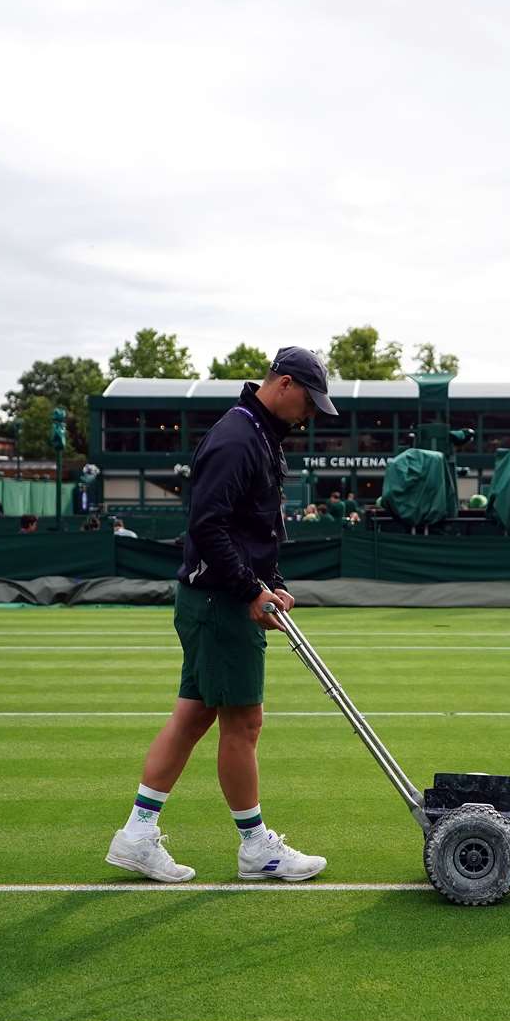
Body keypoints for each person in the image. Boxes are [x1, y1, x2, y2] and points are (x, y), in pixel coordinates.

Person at [106, 347, 337, 884]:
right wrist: (250, 591)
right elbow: (207, 528)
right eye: (307, 402)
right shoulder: (237, 439)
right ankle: (256, 848)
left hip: (217, 598)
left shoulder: (258, 435)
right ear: (282, 385)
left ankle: (137, 835)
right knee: (243, 723)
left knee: (193, 716)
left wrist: (271, 583)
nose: (308, 417)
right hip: (219, 601)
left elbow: (253, 528)